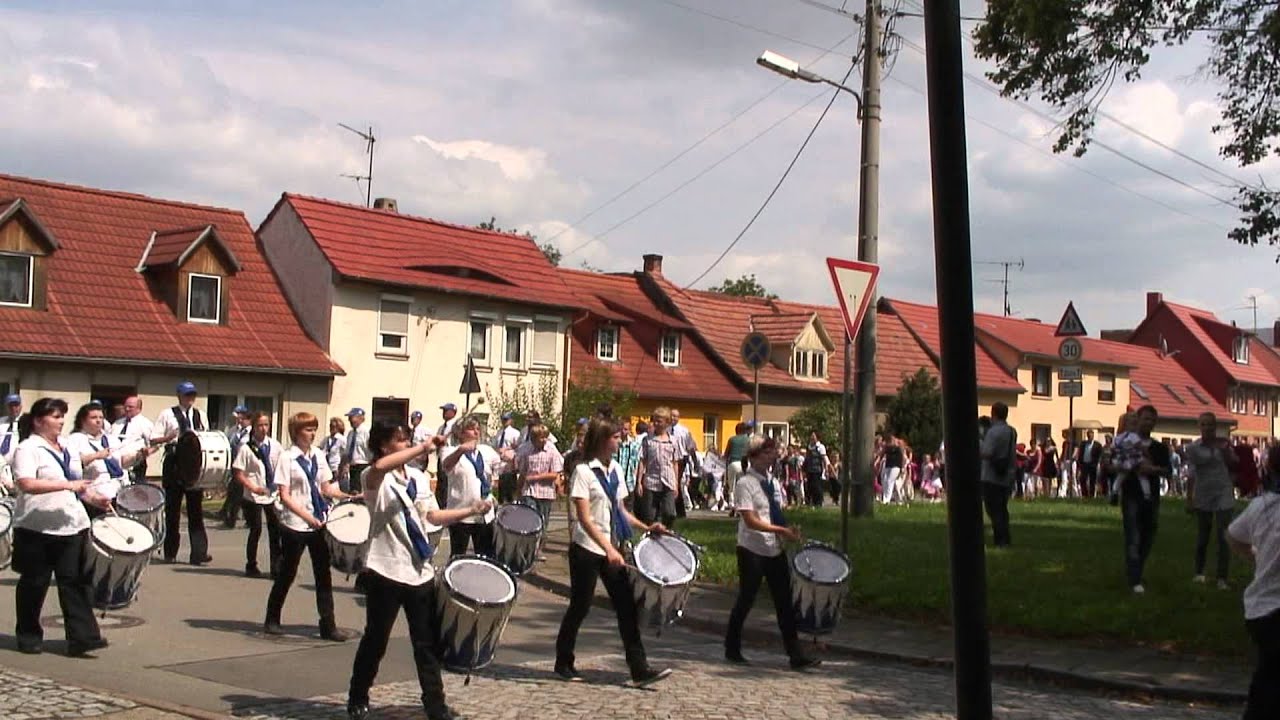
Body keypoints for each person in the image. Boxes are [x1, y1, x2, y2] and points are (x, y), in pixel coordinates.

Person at [346, 421, 488, 720]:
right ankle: (358, 695)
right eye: (400, 440)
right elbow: (382, 466)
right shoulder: (374, 477)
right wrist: (424, 447)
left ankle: (435, 704)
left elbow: (432, 516)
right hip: (385, 569)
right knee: (376, 639)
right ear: (384, 446)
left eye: (408, 439)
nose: (407, 443)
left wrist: (471, 510)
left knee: (426, 643)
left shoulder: (417, 478)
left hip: (419, 570)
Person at [554, 417, 671, 687]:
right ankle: (563, 660)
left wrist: (646, 527)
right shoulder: (583, 472)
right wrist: (608, 549)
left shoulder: (615, 469)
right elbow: (584, 518)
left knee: (627, 607)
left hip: (611, 547)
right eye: (616, 437)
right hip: (587, 548)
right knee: (580, 606)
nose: (620, 441)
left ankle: (639, 668)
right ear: (603, 440)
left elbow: (619, 510)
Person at [10, 397, 111, 656]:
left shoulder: (66, 446)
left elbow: (76, 483)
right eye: (55, 416)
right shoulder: (28, 448)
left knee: (74, 583)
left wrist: (94, 499)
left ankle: (82, 638)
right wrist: (68, 486)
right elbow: (26, 484)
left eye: (62, 416)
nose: (61, 421)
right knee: (35, 583)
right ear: (38, 421)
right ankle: (28, 635)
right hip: (36, 528)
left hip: (71, 524)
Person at [725, 435, 822, 670]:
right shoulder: (745, 483)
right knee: (747, 598)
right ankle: (732, 647)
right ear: (754, 456)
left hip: (774, 548)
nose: (773, 456)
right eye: (767, 452)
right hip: (751, 548)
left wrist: (787, 529)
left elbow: (775, 510)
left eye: (773, 452)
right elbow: (750, 520)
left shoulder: (773, 481)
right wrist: (780, 529)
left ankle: (795, 654)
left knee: (784, 602)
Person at [263, 411, 356, 641]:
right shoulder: (287, 457)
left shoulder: (318, 455)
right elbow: (284, 495)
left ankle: (328, 624)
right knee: (288, 572)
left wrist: (347, 495)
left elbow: (326, 488)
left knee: (323, 574)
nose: (312, 434)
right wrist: (306, 516)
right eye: (307, 429)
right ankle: (272, 618)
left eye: (314, 429)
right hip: (295, 523)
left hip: (318, 522)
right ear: (296, 432)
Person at [1228, 443, 1280, 719]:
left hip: (1260, 607)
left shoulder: (1261, 506)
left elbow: (1233, 536)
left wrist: (1256, 559)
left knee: (1268, 677)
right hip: (1271, 607)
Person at [153, 381, 210, 565]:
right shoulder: (167, 414)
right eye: (187, 395)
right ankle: (170, 552)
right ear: (179, 395)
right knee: (173, 511)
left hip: (193, 464)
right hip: (174, 462)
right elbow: (154, 438)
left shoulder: (200, 415)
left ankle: (199, 553)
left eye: (192, 395)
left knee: (196, 511)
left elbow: (205, 438)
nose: (190, 398)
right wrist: (169, 437)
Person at [1116, 406, 1170, 594]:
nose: (1148, 423)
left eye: (1151, 420)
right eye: (1145, 419)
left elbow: (1167, 470)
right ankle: (1134, 578)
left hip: (1151, 497)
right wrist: (1122, 467)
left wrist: (1152, 470)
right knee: (1133, 535)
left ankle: (1137, 567)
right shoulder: (1126, 442)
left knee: (1148, 534)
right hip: (1131, 494)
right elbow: (1110, 463)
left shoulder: (1159, 447)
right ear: (1137, 419)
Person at [1183, 412, 1238, 589]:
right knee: (1203, 535)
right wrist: (1189, 498)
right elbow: (1191, 473)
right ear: (1199, 427)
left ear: (1215, 426)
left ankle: (1222, 577)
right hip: (1203, 492)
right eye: (1204, 424)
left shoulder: (1223, 444)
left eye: (1210, 424)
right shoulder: (1193, 448)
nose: (1207, 428)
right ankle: (1199, 573)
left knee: (1224, 536)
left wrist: (1226, 452)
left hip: (1223, 490)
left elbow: (1235, 463)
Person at [66, 401, 152, 513]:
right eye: (93, 417)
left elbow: (122, 463)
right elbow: (73, 465)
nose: (98, 421)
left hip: (119, 492)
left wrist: (139, 455)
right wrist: (96, 456)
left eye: (101, 417)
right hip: (95, 495)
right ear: (83, 420)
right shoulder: (75, 439)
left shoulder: (111, 439)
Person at [232, 411, 283, 579]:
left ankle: (276, 567)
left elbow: (282, 468)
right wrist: (253, 487)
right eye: (260, 425)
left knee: (275, 531)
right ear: (254, 427)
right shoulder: (246, 448)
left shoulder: (275, 446)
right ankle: (251, 565)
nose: (263, 428)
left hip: (272, 493)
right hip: (253, 495)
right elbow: (239, 473)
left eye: (266, 425)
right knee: (256, 530)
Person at [441, 417, 500, 557]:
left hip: (484, 512)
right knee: (458, 554)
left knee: (486, 554)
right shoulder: (450, 451)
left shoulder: (486, 451)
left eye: (478, 429)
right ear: (460, 433)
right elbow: (446, 465)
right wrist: (461, 450)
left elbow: (499, 468)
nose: (476, 432)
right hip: (461, 512)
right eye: (471, 429)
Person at [635, 407, 681, 529]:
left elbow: (675, 463)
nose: (656, 424)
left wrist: (676, 484)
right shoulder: (648, 440)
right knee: (650, 515)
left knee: (669, 512)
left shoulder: (673, 441)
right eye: (654, 421)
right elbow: (642, 460)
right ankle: (652, 535)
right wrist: (639, 481)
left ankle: (666, 531)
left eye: (659, 421)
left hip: (668, 480)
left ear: (667, 422)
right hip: (651, 480)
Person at [979, 402, 1016, 547]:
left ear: (993, 413)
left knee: (993, 509)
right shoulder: (1011, 431)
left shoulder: (993, 432)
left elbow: (987, 453)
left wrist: (979, 445)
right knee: (1002, 508)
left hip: (991, 475)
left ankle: (999, 539)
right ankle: (1005, 538)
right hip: (1007, 474)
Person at [517, 423, 563, 531]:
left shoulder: (552, 451)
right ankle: (530, 546)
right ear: (533, 439)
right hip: (529, 492)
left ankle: (540, 545)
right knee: (530, 522)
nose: (543, 440)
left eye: (545, 437)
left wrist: (536, 477)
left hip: (545, 493)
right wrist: (518, 490)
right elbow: (523, 472)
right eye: (540, 438)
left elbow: (554, 474)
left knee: (542, 523)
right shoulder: (527, 452)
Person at [220, 406, 252, 528]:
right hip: (235, 464)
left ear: (249, 420)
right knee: (235, 492)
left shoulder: (251, 433)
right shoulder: (237, 431)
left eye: (243, 419)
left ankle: (231, 519)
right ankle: (232, 517)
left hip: (245, 467)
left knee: (238, 493)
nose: (240, 421)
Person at [110, 395, 154, 484]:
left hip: (135, 466)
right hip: (115, 465)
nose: (127, 409)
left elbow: (153, 444)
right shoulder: (117, 423)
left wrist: (143, 454)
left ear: (139, 408)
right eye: (125, 406)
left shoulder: (145, 424)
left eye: (130, 407)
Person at [722, 421, 752, 517]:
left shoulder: (732, 439)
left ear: (736, 430)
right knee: (743, 487)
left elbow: (726, 454)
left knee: (732, 487)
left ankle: (733, 507)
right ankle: (741, 508)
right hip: (744, 464)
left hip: (733, 463)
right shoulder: (748, 440)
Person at [339, 407, 370, 494]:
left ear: (361, 418)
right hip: (352, 467)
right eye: (349, 418)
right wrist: (342, 467)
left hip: (363, 465)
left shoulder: (366, 432)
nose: (350, 420)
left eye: (352, 417)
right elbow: (347, 452)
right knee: (352, 491)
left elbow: (371, 450)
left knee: (360, 491)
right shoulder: (351, 433)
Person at [492, 412, 521, 504]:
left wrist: (508, 451)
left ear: (511, 420)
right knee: (501, 487)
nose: (504, 422)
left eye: (506, 420)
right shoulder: (499, 433)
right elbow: (495, 445)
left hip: (509, 462)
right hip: (500, 462)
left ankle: (510, 501)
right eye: (503, 420)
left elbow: (518, 447)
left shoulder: (515, 433)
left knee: (509, 486)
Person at [1, 392, 23, 492]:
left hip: (17, 466)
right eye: (11, 406)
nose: (14, 408)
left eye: (16, 405)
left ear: (21, 406)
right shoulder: (1, 422)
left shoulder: (24, 423)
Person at [804, 431, 830, 508]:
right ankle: (809, 502)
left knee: (817, 486)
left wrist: (826, 470)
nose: (812, 437)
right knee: (809, 486)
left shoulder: (820, 447)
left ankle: (818, 502)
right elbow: (807, 459)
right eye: (811, 436)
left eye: (813, 436)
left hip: (817, 470)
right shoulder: (809, 446)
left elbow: (824, 459)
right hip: (809, 470)